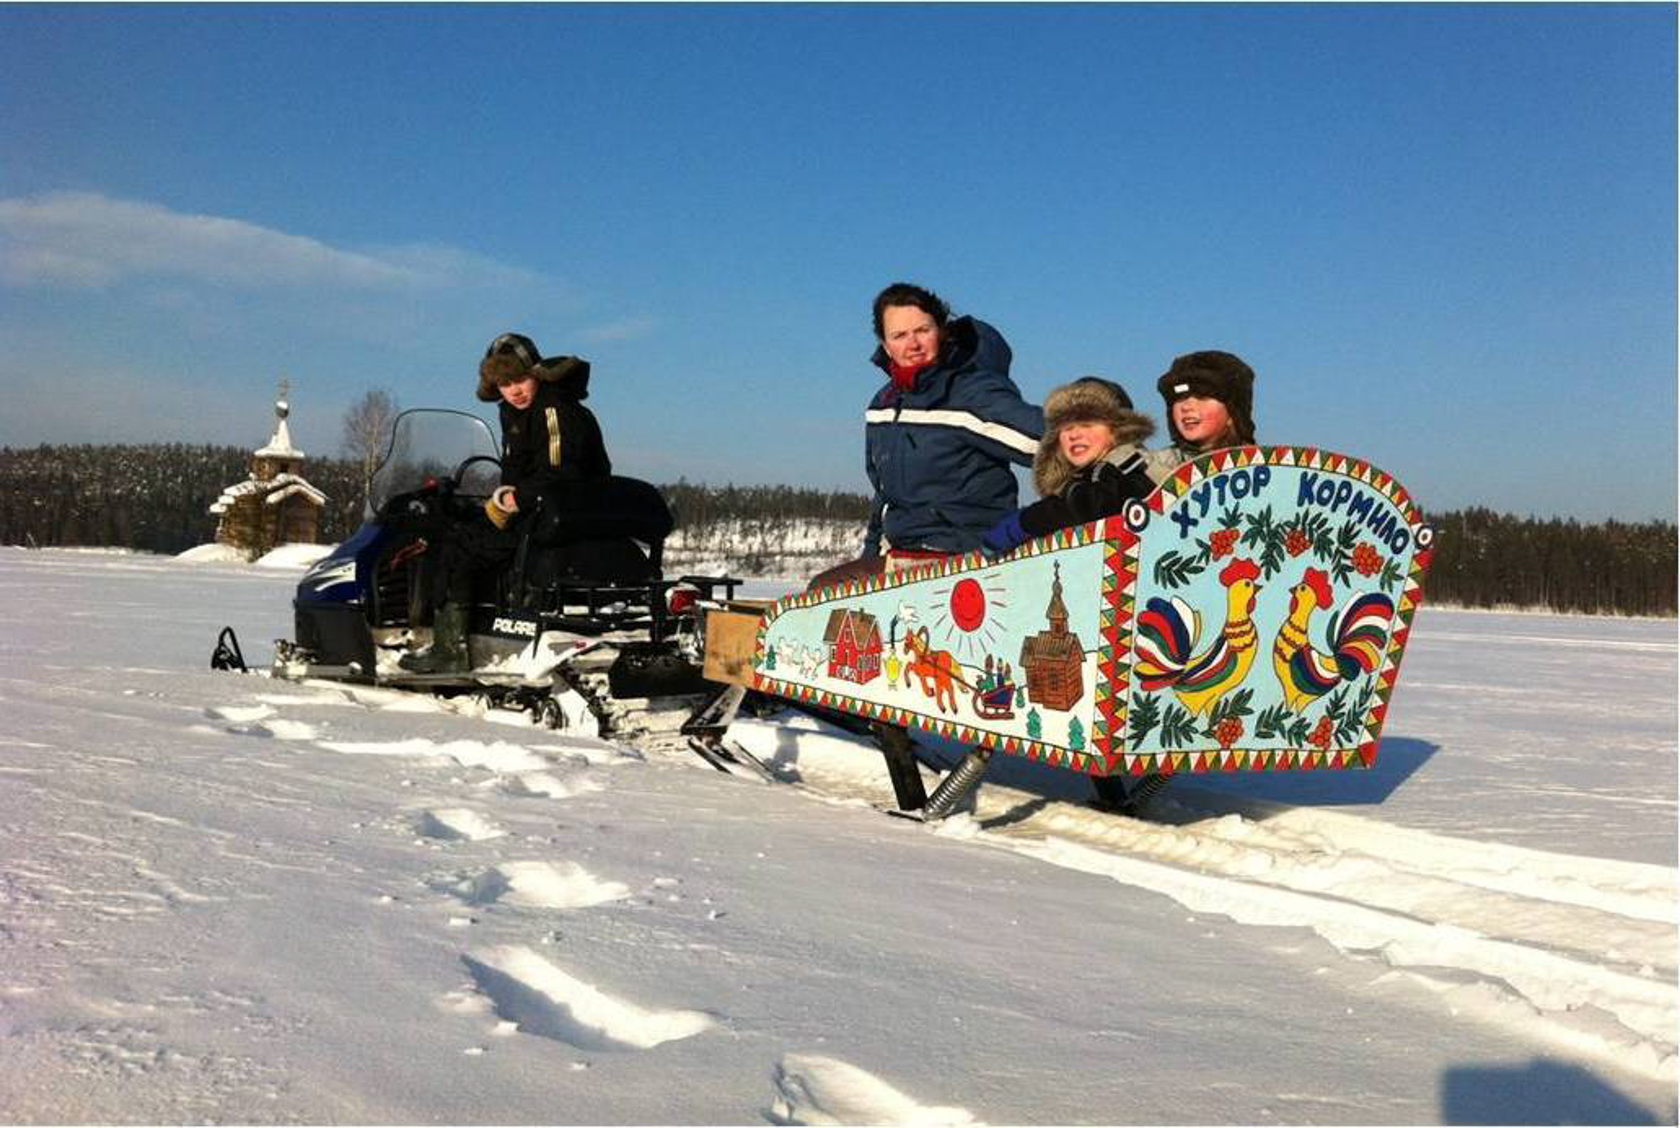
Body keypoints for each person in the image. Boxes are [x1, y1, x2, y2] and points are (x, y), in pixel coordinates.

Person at [400, 332, 612, 674]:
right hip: (547, 511)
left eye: (519, 379)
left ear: (537, 375)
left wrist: (516, 498)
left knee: (456, 547)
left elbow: (559, 472)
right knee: (467, 530)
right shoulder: (519, 414)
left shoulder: (552, 407)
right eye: (503, 383)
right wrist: (503, 498)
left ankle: (449, 649)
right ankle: (473, 631)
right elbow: (520, 471)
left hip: (557, 514)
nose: (514, 390)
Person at [808, 282, 1043, 590]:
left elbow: (1048, 442)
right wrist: (869, 557)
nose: (913, 343)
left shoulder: (970, 394)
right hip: (904, 555)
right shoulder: (883, 407)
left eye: (922, 330)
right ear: (885, 343)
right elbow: (884, 496)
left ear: (941, 330)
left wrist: (1111, 454)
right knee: (825, 597)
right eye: (900, 335)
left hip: (969, 556)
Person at [979, 376, 1171, 556]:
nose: (1074, 435)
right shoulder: (1086, 476)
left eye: (1087, 424)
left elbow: (1091, 507)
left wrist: (1024, 522)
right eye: (1066, 427)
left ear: (1117, 431)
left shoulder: (1129, 467)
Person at [1153, 349, 1257, 468]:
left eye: (1201, 397)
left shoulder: (1262, 467)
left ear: (1233, 414)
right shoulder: (1151, 469)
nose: (1186, 407)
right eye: (1179, 399)